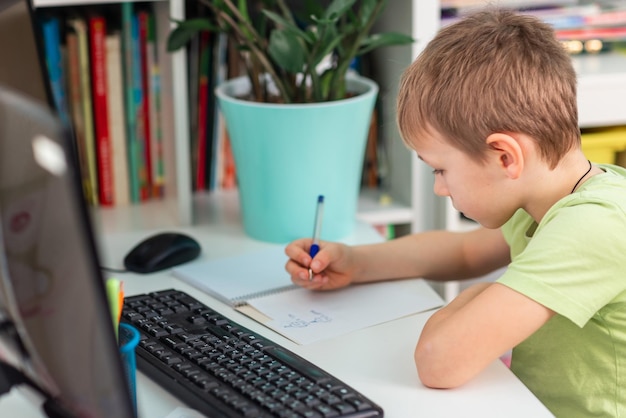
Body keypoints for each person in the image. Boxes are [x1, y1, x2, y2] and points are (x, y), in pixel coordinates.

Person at [284, 8, 626, 417]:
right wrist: (357, 263)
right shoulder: (546, 195)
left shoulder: (594, 225)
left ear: (504, 157)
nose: (438, 187)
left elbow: (439, 361)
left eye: (441, 169)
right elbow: (464, 253)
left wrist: (490, 295)